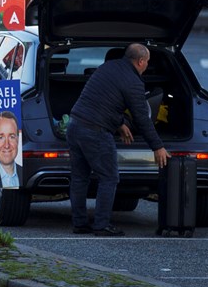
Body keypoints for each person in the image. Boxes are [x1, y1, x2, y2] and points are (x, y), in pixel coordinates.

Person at [67, 43, 169, 236]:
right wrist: (157, 147)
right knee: (109, 177)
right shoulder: (133, 82)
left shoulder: (107, 67)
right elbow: (142, 119)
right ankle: (101, 225)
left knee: (80, 178)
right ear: (140, 61)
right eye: (147, 62)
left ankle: (79, 223)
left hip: (75, 124)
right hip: (95, 132)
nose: (147, 65)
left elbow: (102, 100)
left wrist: (119, 122)